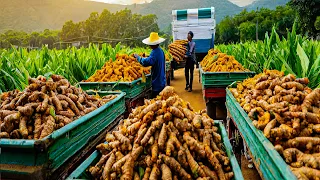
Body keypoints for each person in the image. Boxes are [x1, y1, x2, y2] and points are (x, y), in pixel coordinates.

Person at [134, 32, 166, 98]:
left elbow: (146, 62)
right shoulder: (160, 51)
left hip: (157, 84)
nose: (149, 45)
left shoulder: (154, 52)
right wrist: (147, 56)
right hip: (162, 81)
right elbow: (154, 60)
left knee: (156, 102)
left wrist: (138, 57)